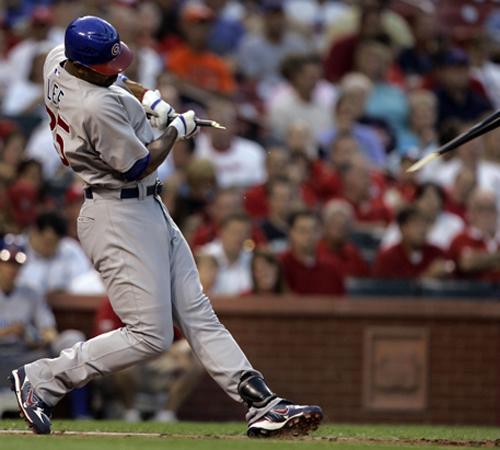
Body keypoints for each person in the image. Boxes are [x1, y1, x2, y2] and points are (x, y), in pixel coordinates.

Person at [9, 16, 322, 437]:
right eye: (103, 64)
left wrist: (151, 100)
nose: (115, 67)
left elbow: (115, 78)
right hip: (116, 212)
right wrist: (176, 129)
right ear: (84, 67)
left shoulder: (58, 58)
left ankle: (262, 404)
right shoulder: (93, 107)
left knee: (198, 313)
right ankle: (42, 379)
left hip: (145, 208)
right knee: (151, 336)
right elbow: (140, 162)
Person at [372, 206, 454, 279]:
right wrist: (427, 277)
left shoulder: (437, 254)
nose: (422, 230)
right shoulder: (387, 258)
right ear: (402, 228)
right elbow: (382, 291)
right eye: (416, 225)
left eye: (424, 225)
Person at [280, 210, 344, 296]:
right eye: (302, 231)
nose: (309, 236)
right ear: (291, 233)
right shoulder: (280, 265)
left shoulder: (331, 268)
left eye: (313, 230)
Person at [448, 189, 500, 282]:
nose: (486, 214)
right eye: (481, 209)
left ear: (497, 212)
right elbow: (467, 264)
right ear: (471, 212)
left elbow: (474, 261)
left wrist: (480, 259)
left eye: (491, 209)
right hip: (472, 294)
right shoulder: (460, 238)